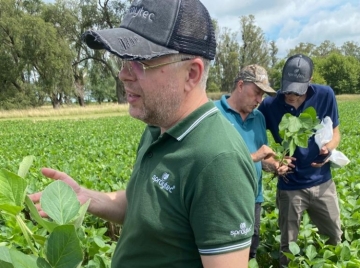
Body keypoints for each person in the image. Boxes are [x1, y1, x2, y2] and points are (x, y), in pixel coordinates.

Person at [29, 0, 258, 267]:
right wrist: (87, 197)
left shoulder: (218, 161)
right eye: (124, 60)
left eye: (140, 61)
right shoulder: (158, 129)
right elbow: (143, 206)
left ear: (191, 74)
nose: (123, 75)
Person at [258, 54, 342, 266]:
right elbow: (254, 138)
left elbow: (336, 132)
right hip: (290, 187)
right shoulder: (269, 105)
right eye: (287, 89)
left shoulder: (325, 95)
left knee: (334, 239)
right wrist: (274, 159)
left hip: (323, 182)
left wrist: (329, 149)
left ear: (310, 80)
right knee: (288, 247)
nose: (291, 96)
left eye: (298, 90)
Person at [214, 64, 292, 260]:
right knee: (220, 253)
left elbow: (262, 159)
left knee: (249, 251)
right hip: (221, 200)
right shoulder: (213, 113)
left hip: (252, 199)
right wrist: (256, 156)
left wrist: (274, 164)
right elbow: (211, 162)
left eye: (263, 95)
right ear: (240, 85)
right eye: (256, 92)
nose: (259, 100)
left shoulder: (258, 118)